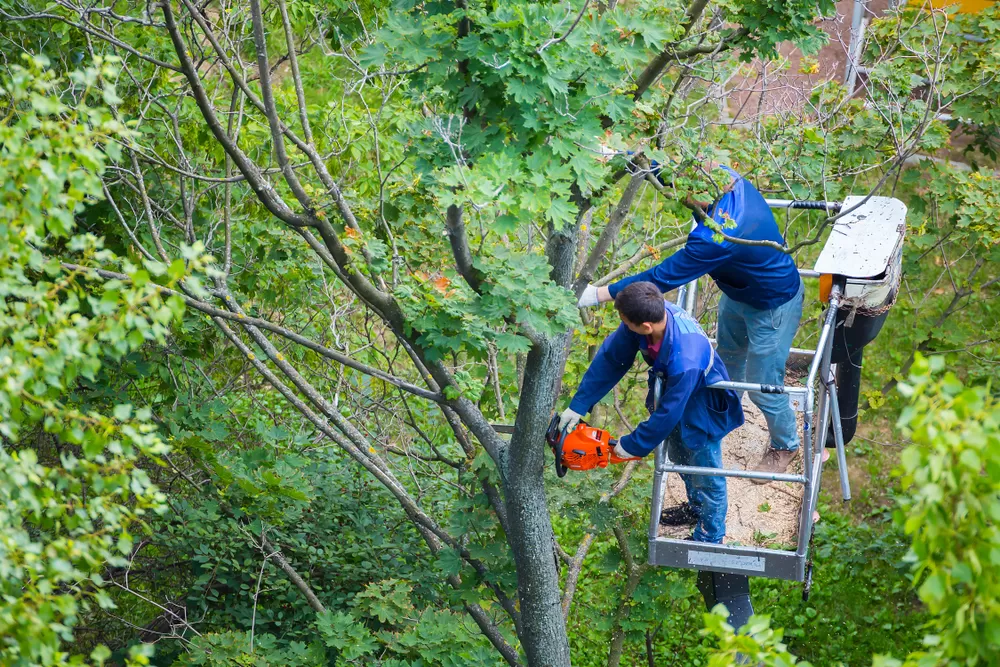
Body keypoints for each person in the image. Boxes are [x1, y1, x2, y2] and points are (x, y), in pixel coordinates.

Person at [577, 166, 804, 481]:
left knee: (763, 385)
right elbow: (675, 166)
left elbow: (662, 277)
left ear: (702, 192)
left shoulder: (717, 235)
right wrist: (632, 157)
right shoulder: (723, 176)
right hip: (738, 292)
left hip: (773, 302)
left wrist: (598, 294)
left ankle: (786, 444)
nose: (676, 193)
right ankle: (722, 417)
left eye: (681, 190)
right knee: (729, 357)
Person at [560, 281, 743, 543]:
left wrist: (634, 444)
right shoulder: (648, 317)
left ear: (645, 327)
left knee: (705, 470)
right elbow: (612, 359)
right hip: (674, 389)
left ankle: (710, 535)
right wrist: (580, 404)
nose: (623, 324)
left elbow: (668, 413)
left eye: (625, 321)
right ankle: (696, 509)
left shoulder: (686, 357)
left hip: (701, 401)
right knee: (680, 458)